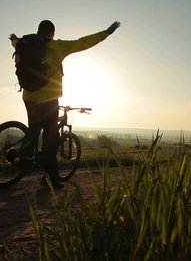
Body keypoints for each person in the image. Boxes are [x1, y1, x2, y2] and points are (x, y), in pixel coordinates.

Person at [9, 20, 121, 189]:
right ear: (51, 33)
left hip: (28, 96)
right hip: (49, 100)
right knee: (50, 139)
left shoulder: (25, 43)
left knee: (33, 129)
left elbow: (15, 42)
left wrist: (13, 39)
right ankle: (51, 180)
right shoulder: (57, 46)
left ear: (38, 31)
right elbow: (83, 42)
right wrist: (106, 32)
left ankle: (25, 161)